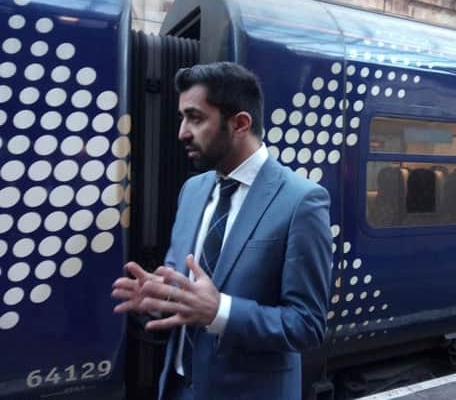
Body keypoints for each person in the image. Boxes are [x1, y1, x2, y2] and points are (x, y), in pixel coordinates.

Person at [111, 62, 333, 400]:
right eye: (183, 118)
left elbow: (308, 325)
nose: (182, 131)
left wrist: (221, 312)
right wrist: (161, 297)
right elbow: (182, 280)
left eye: (195, 118)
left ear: (240, 124)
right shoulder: (193, 190)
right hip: (177, 388)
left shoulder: (302, 201)